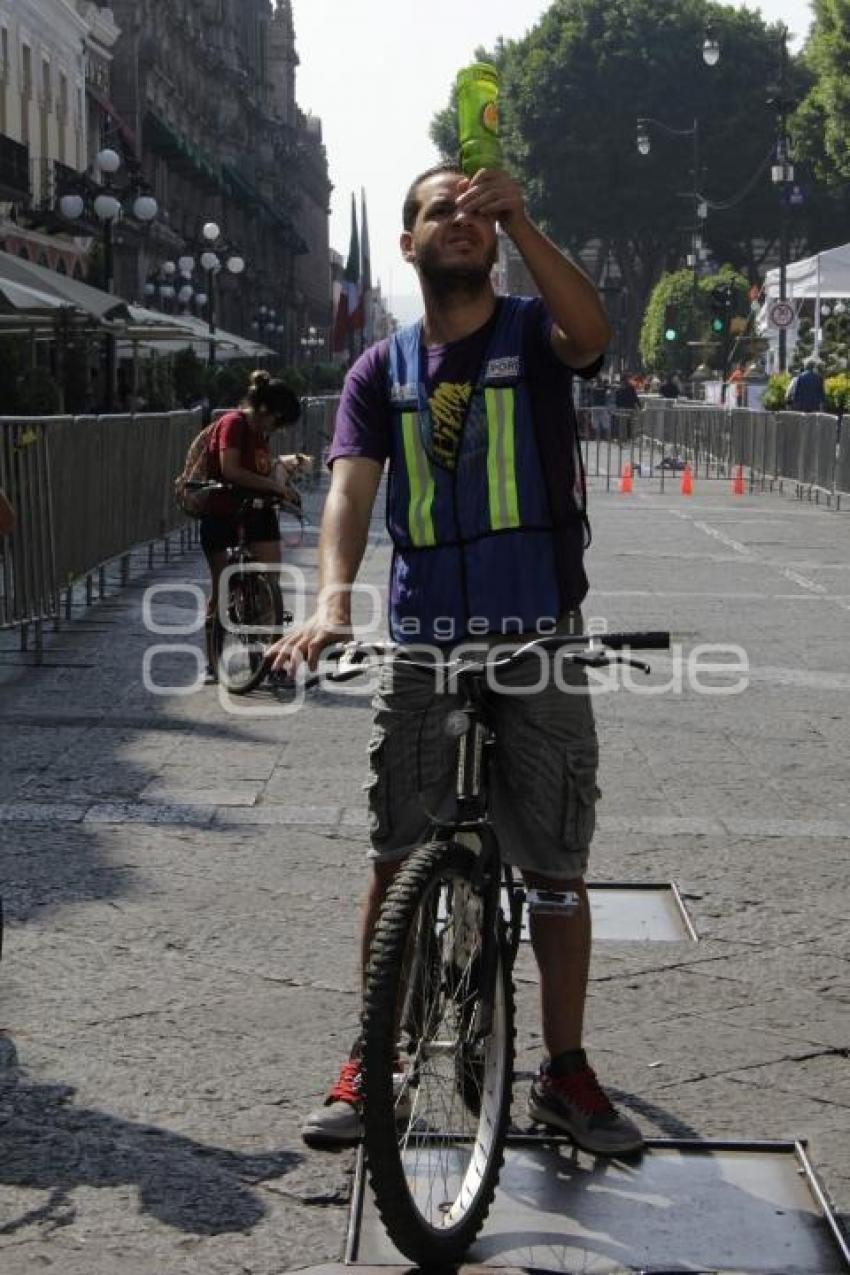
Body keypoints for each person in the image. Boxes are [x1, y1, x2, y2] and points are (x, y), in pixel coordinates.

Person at [270, 161, 645, 1158]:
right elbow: (348, 492)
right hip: (425, 638)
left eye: (476, 211)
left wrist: (526, 217)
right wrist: (331, 600)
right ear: (409, 245)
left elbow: (595, 334)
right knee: (396, 857)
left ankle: (564, 1073)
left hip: (538, 634)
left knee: (557, 864)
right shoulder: (378, 371)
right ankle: (374, 1056)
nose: (461, 222)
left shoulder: (531, 331)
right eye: (441, 212)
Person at [199, 369, 302, 681]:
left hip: (257, 512)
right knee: (221, 587)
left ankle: (271, 661)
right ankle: (213, 663)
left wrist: (283, 482)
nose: (279, 428)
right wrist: (273, 487)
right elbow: (230, 470)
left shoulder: (260, 434)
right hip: (222, 511)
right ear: (265, 409)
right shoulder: (233, 424)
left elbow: (262, 470)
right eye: (279, 420)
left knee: (269, 585)